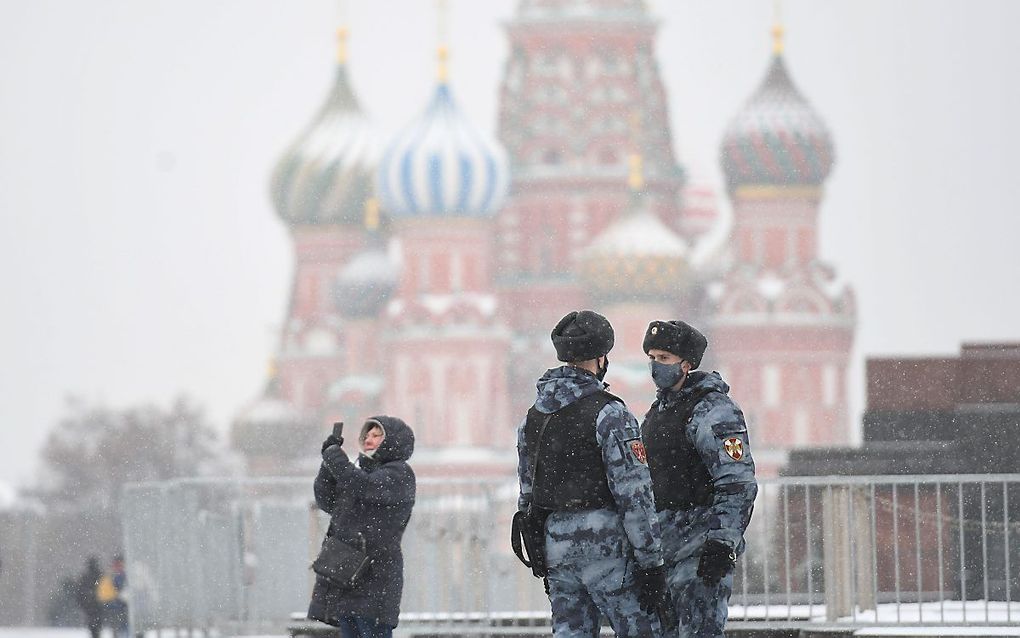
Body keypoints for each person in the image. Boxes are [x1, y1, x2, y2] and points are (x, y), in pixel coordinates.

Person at [515, 309, 671, 637]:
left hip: (557, 547)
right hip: (609, 549)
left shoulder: (533, 417)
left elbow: (527, 494)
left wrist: (545, 549)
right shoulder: (611, 413)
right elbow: (634, 494)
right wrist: (651, 561)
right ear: (602, 358)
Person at [640, 320, 758, 638]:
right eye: (651, 357)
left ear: (686, 364)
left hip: (699, 554)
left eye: (664, 358)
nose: (655, 365)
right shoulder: (657, 413)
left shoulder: (713, 412)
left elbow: (737, 483)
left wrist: (721, 543)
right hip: (663, 555)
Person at [308, 417, 416, 638]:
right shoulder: (360, 474)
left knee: (372, 630)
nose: (369, 439)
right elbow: (326, 499)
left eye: (377, 435)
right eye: (367, 435)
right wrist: (328, 464)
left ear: (392, 441)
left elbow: (364, 486)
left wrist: (334, 457)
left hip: (376, 577)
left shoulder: (399, 474)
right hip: (348, 574)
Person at [75, 556, 103, 638]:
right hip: (98, 606)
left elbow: (79, 593)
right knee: (97, 626)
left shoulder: (85, 577)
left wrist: (83, 604)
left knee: (93, 627)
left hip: (89, 607)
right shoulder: (100, 576)